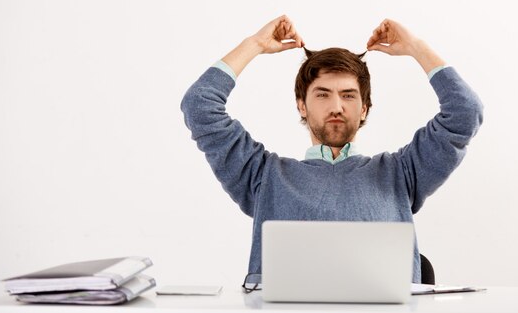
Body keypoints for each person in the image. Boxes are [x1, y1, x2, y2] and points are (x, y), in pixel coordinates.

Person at [181, 15, 483, 287]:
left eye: (348, 96)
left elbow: (465, 112)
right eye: (323, 94)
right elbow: (199, 105)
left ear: (364, 109)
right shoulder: (264, 176)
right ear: (302, 105)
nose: (336, 107)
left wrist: (416, 47)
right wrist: (255, 44)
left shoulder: (402, 172)